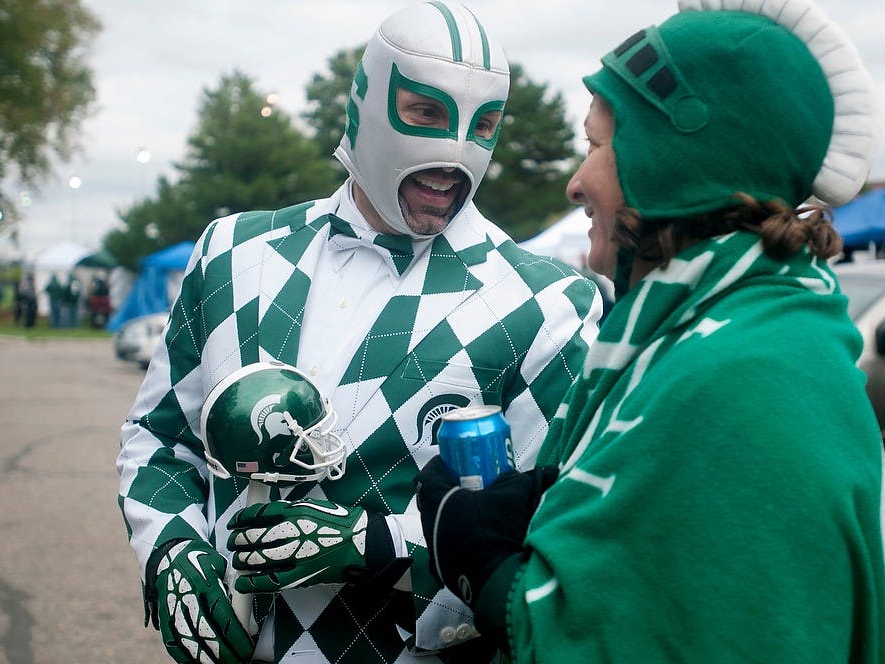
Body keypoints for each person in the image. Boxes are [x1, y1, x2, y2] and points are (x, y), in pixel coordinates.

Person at [416, 0, 885, 662]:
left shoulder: (745, 378)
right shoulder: (718, 336)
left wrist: (492, 576)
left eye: (595, 147)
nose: (575, 183)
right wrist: (562, 500)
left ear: (671, 163)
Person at [116, 3, 602, 663]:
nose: (453, 152)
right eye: (427, 112)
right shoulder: (234, 252)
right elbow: (162, 439)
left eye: (482, 124)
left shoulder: (547, 304)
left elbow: (554, 537)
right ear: (365, 102)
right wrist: (172, 549)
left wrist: (377, 547)